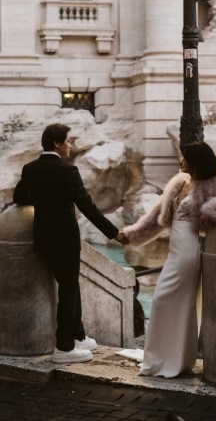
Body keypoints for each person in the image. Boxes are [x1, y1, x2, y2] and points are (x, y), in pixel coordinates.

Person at [121, 141, 216, 378]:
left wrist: (210, 210)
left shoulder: (214, 184)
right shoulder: (179, 182)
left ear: (195, 162)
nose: (180, 161)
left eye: (184, 158)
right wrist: (129, 235)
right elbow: (156, 217)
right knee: (165, 302)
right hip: (176, 252)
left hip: (189, 252)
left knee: (174, 303)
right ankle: (162, 360)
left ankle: (175, 361)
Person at [13, 123, 128, 364]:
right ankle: (64, 348)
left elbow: (19, 198)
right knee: (68, 290)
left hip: (43, 238)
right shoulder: (68, 171)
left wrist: (45, 201)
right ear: (57, 143)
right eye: (68, 141)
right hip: (65, 240)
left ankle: (78, 335)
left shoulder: (30, 168)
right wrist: (114, 233)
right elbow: (86, 206)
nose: (71, 145)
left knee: (70, 286)